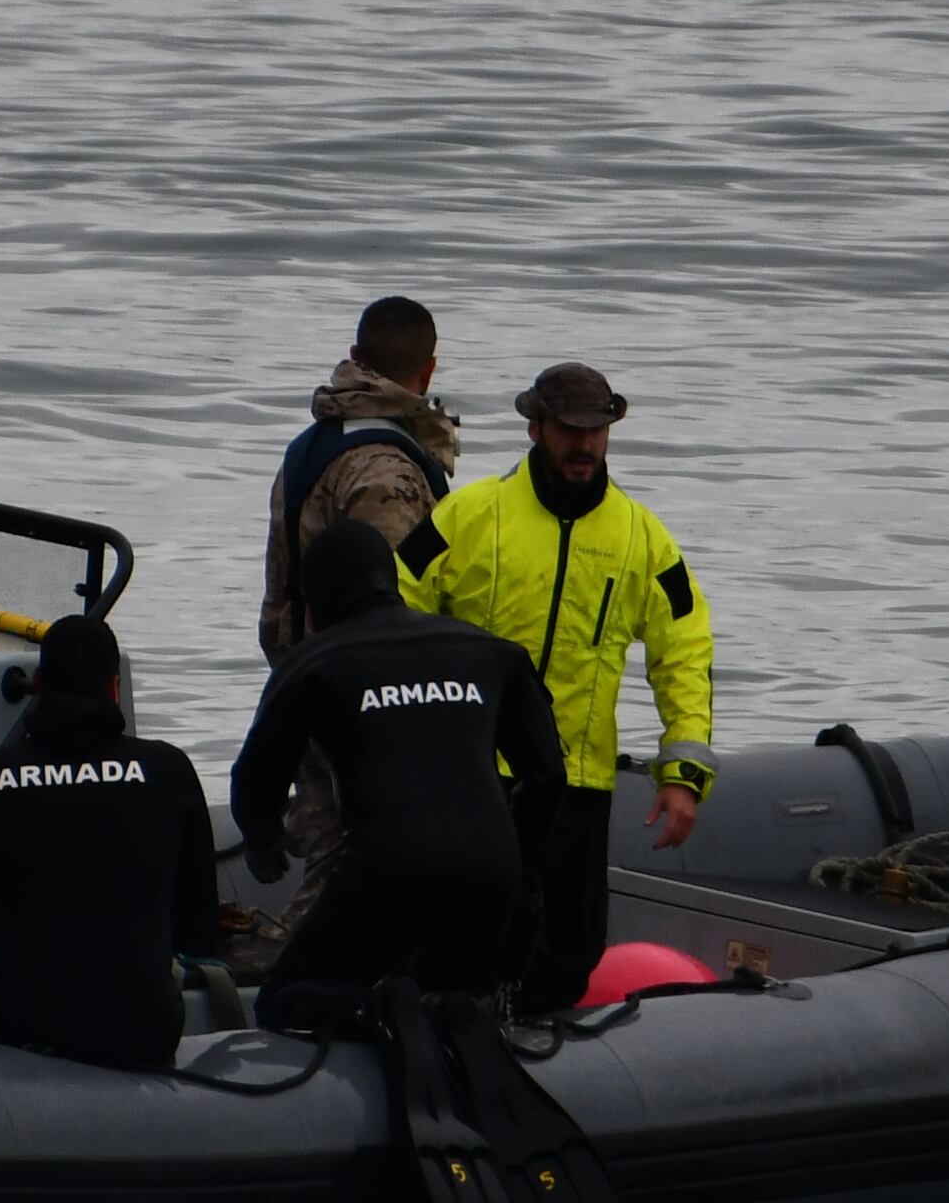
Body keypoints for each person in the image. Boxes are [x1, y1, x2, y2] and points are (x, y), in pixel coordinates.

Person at [402, 362, 716, 1014]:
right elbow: (392, 602)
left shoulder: (641, 537)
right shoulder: (470, 515)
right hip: (472, 775)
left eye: (598, 429)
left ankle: (544, 1070)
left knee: (569, 952)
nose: (586, 443)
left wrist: (683, 771)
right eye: (571, 429)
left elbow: (683, 651)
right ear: (536, 426)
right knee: (455, 946)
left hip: (576, 782)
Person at [228, 521, 564, 1027]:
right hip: (489, 871)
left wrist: (262, 841)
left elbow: (254, 781)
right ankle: (452, 1019)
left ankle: (381, 1009)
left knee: (283, 1000)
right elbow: (547, 777)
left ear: (314, 606)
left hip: (387, 870)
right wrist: (515, 862)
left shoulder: (311, 664)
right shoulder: (492, 652)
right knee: (456, 995)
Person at [0, 614, 206, 1073]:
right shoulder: (169, 770)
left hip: (21, 1020)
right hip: (143, 1026)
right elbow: (197, 927)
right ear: (115, 689)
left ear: (38, 682)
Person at [261, 296, 465, 662]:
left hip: (299, 674)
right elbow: (392, 615)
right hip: (365, 687)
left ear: (355, 355)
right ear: (429, 369)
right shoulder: (389, 472)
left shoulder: (310, 446)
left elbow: (278, 596)